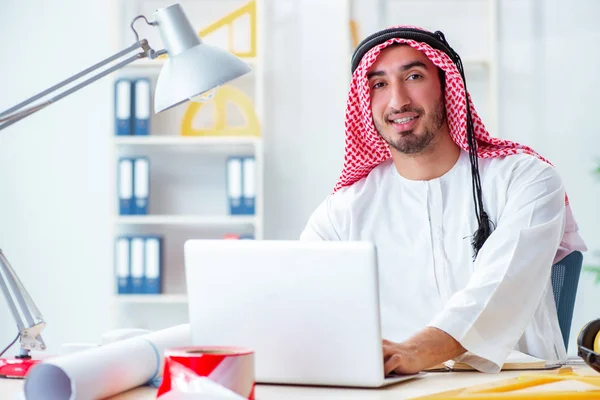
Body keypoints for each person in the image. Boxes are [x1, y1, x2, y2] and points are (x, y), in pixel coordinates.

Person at [300, 26, 587, 375]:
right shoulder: (341, 213)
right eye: (379, 84)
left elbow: (499, 288)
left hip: (517, 384)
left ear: (447, 85)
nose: (398, 100)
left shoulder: (526, 179)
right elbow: (303, 306)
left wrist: (415, 351)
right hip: (400, 387)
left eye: (414, 76)